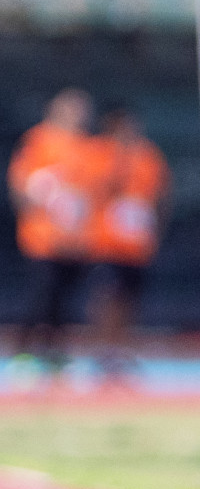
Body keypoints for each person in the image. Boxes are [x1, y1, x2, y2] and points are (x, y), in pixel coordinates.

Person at [8, 88, 100, 374]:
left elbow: (94, 192)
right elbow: (22, 183)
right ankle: (25, 352)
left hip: (75, 240)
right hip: (43, 238)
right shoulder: (39, 140)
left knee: (66, 301)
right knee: (42, 296)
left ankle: (56, 352)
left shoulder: (89, 147)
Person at [86, 106, 169, 381]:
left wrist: (155, 230)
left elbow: (159, 194)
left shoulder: (147, 154)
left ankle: (121, 350)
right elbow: (95, 190)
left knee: (130, 299)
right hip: (106, 242)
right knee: (108, 296)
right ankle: (104, 350)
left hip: (137, 243)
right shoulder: (99, 152)